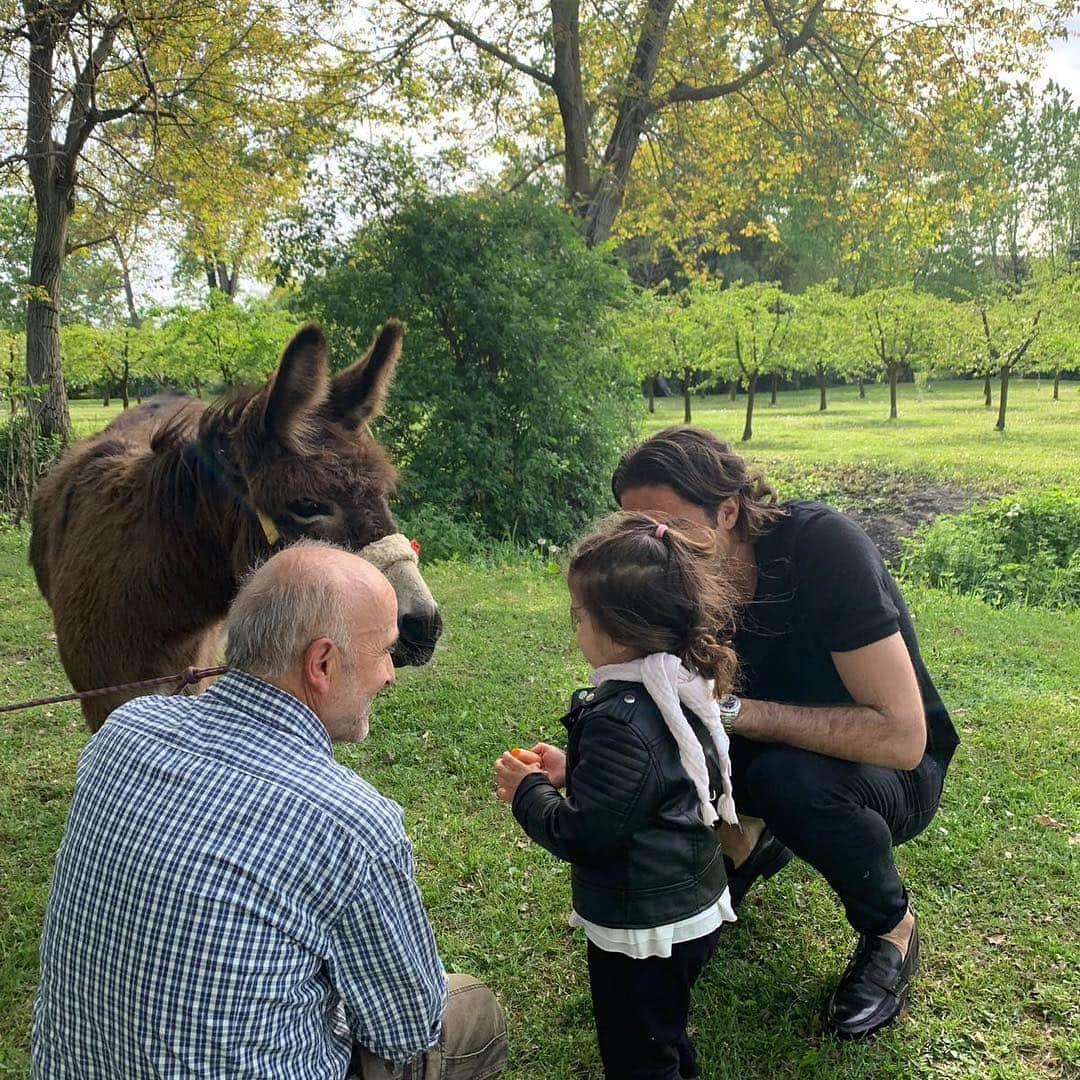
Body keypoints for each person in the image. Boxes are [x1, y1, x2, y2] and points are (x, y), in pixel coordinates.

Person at [32, 541, 507, 1080]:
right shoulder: (353, 823)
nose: (389, 675)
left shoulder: (126, 729)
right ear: (322, 663)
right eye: (385, 653)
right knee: (472, 1010)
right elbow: (406, 1030)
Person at [611, 426, 960, 1040]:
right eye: (638, 531)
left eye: (667, 527)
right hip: (759, 759)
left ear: (729, 510)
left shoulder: (823, 549)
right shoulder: (671, 572)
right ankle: (745, 844)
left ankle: (891, 928)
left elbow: (903, 737)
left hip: (891, 774)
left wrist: (740, 713)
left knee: (787, 779)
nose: (652, 548)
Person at [494, 514, 742, 1080]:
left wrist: (526, 791)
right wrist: (571, 767)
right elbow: (658, 782)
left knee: (635, 1051)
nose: (575, 627)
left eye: (579, 617)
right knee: (662, 1024)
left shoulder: (622, 717)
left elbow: (585, 833)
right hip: (688, 903)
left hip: (642, 924)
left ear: (620, 631)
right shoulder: (677, 683)